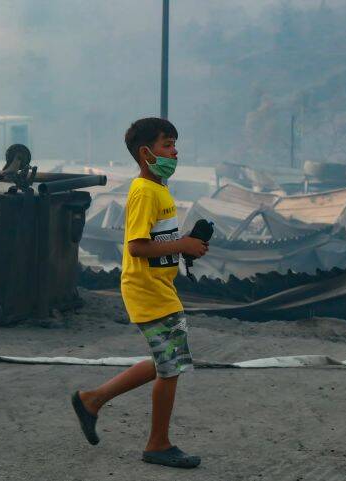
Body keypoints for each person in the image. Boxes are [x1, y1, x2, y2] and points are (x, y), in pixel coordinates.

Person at [72, 117, 208, 469]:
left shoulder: (159, 190)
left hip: (159, 287)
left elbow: (159, 244)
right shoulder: (145, 192)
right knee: (171, 366)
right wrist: (184, 244)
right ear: (146, 153)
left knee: (168, 359)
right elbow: (136, 247)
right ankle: (157, 444)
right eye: (167, 145)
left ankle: (92, 400)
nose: (175, 152)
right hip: (148, 290)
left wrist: (185, 247)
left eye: (175, 144)